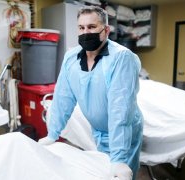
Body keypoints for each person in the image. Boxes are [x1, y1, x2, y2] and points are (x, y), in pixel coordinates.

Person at [38, 5, 143, 180]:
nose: (86, 32)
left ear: (106, 30)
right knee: (103, 172)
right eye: (81, 28)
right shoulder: (71, 58)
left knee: (121, 174)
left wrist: (119, 159)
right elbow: (63, 97)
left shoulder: (121, 58)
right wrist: (53, 134)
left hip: (125, 134)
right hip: (99, 131)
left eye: (92, 27)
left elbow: (120, 111)